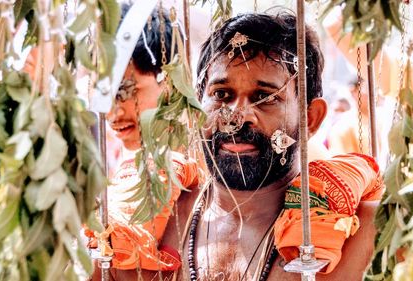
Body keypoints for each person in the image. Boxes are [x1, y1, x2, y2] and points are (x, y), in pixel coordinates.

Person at [161, 12, 383, 281]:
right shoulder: (156, 219)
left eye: (264, 97)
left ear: (310, 118)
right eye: (221, 94)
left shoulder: (367, 235)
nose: (237, 117)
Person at [87, 3, 199, 280]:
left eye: (126, 92)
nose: (113, 114)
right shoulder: (130, 166)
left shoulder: (210, 164)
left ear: (171, 82)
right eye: (105, 96)